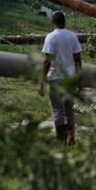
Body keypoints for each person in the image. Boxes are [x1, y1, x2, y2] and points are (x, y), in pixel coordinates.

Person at [38, 11, 83, 145]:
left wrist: (41, 82)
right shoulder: (72, 36)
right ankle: (71, 137)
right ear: (64, 22)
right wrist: (79, 80)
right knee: (69, 109)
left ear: (53, 22)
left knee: (58, 110)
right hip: (70, 78)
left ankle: (61, 140)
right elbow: (78, 60)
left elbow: (47, 62)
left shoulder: (51, 37)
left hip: (56, 78)